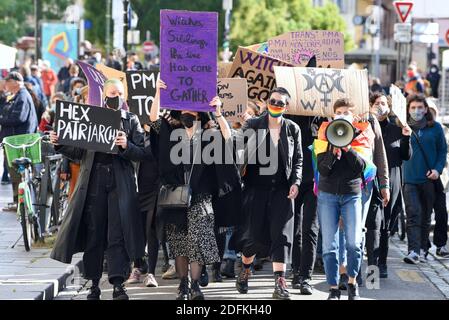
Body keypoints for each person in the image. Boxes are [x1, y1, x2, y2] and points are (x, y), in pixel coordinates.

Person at [49, 79, 146, 300]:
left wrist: (126, 145)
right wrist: (58, 142)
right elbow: (76, 151)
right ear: (104, 95)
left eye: (120, 94)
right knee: (94, 234)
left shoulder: (131, 120)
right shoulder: (91, 118)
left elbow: (142, 153)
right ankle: (93, 283)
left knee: (117, 235)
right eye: (112, 93)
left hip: (120, 185)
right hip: (93, 183)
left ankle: (118, 283)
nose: (116, 97)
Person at [149, 79, 240, 300]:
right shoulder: (170, 131)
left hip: (201, 196)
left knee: (198, 241)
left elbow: (229, 138)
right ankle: (183, 284)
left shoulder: (209, 133)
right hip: (175, 196)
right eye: (184, 108)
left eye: (193, 108)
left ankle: (195, 284)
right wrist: (158, 93)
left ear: (200, 112)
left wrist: (218, 113)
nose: (188, 111)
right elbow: (153, 121)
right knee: (179, 244)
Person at [234, 87, 302, 300]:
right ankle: (245, 270)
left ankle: (280, 284)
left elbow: (298, 158)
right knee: (254, 237)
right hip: (256, 189)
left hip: (282, 190)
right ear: (267, 102)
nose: (276, 105)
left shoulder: (292, 129)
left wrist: (296, 182)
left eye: (280, 103)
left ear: (286, 107)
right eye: (273, 101)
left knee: (281, 236)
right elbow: (235, 147)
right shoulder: (254, 124)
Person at [314, 98, 373, 300]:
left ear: (353, 116)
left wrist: (347, 148)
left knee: (354, 243)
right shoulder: (324, 133)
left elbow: (361, 168)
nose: (342, 115)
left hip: (352, 195)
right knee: (329, 246)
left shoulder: (362, 134)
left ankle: (352, 282)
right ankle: (333, 288)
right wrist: (333, 149)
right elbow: (322, 169)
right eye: (339, 111)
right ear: (333, 115)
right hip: (328, 195)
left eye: (347, 112)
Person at [365, 93, 411, 278]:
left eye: (384, 103)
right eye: (377, 103)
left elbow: (406, 156)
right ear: (370, 105)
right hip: (371, 179)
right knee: (373, 224)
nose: (380, 106)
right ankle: (372, 264)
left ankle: (382, 262)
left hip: (392, 179)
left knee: (386, 225)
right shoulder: (366, 127)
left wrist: (406, 137)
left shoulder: (396, 130)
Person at [402, 94, 447, 264]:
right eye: (413, 108)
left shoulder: (435, 127)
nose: (417, 111)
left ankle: (422, 249)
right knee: (413, 214)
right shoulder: (403, 127)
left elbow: (442, 151)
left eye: (420, 107)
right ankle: (413, 250)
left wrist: (437, 169)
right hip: (409, 179)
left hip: (429, 179)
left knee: (426, 215)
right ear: (408, 109)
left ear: (426, 109)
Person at [284, 114, 319, 296]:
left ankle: (306, 277)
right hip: (293, 180)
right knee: (295, 227)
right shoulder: (289, 118)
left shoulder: (322, 118)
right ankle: (296, 271)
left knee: (310, 228)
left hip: (316, 181)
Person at [0, 72, 38, 211]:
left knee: (17, 173)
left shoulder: (22, 96)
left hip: (18, 142)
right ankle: (17, 201)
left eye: (7, 81)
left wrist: (2, 119)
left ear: (15, 82)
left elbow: (19, 118)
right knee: (15, 172)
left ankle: (19, 203)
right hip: (15, 141)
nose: (5, 84)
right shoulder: (17, 96)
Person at [424, 98, 449, 257]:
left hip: (440, 178)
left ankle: (441, 244)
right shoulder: (419, 129)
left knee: (441, 212)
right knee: (424, 213)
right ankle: (423, 245)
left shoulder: (441, 129)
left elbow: (443, 152)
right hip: (422, 177)